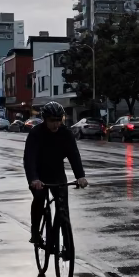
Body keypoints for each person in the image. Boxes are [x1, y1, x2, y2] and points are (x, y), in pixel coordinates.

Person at [23, 102, 88, 246]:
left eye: (59, 120)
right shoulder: (36, 133)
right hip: (39, 173)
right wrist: (34, 179)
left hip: (57, 171)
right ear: (45, 119)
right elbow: (29, 158)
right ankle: (35, 232)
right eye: (52, 120)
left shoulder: (66, 133)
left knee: (62, 206)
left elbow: (74, 155)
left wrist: (80, 176)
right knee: (39, 199)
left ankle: (65, 244)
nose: (56, 124)